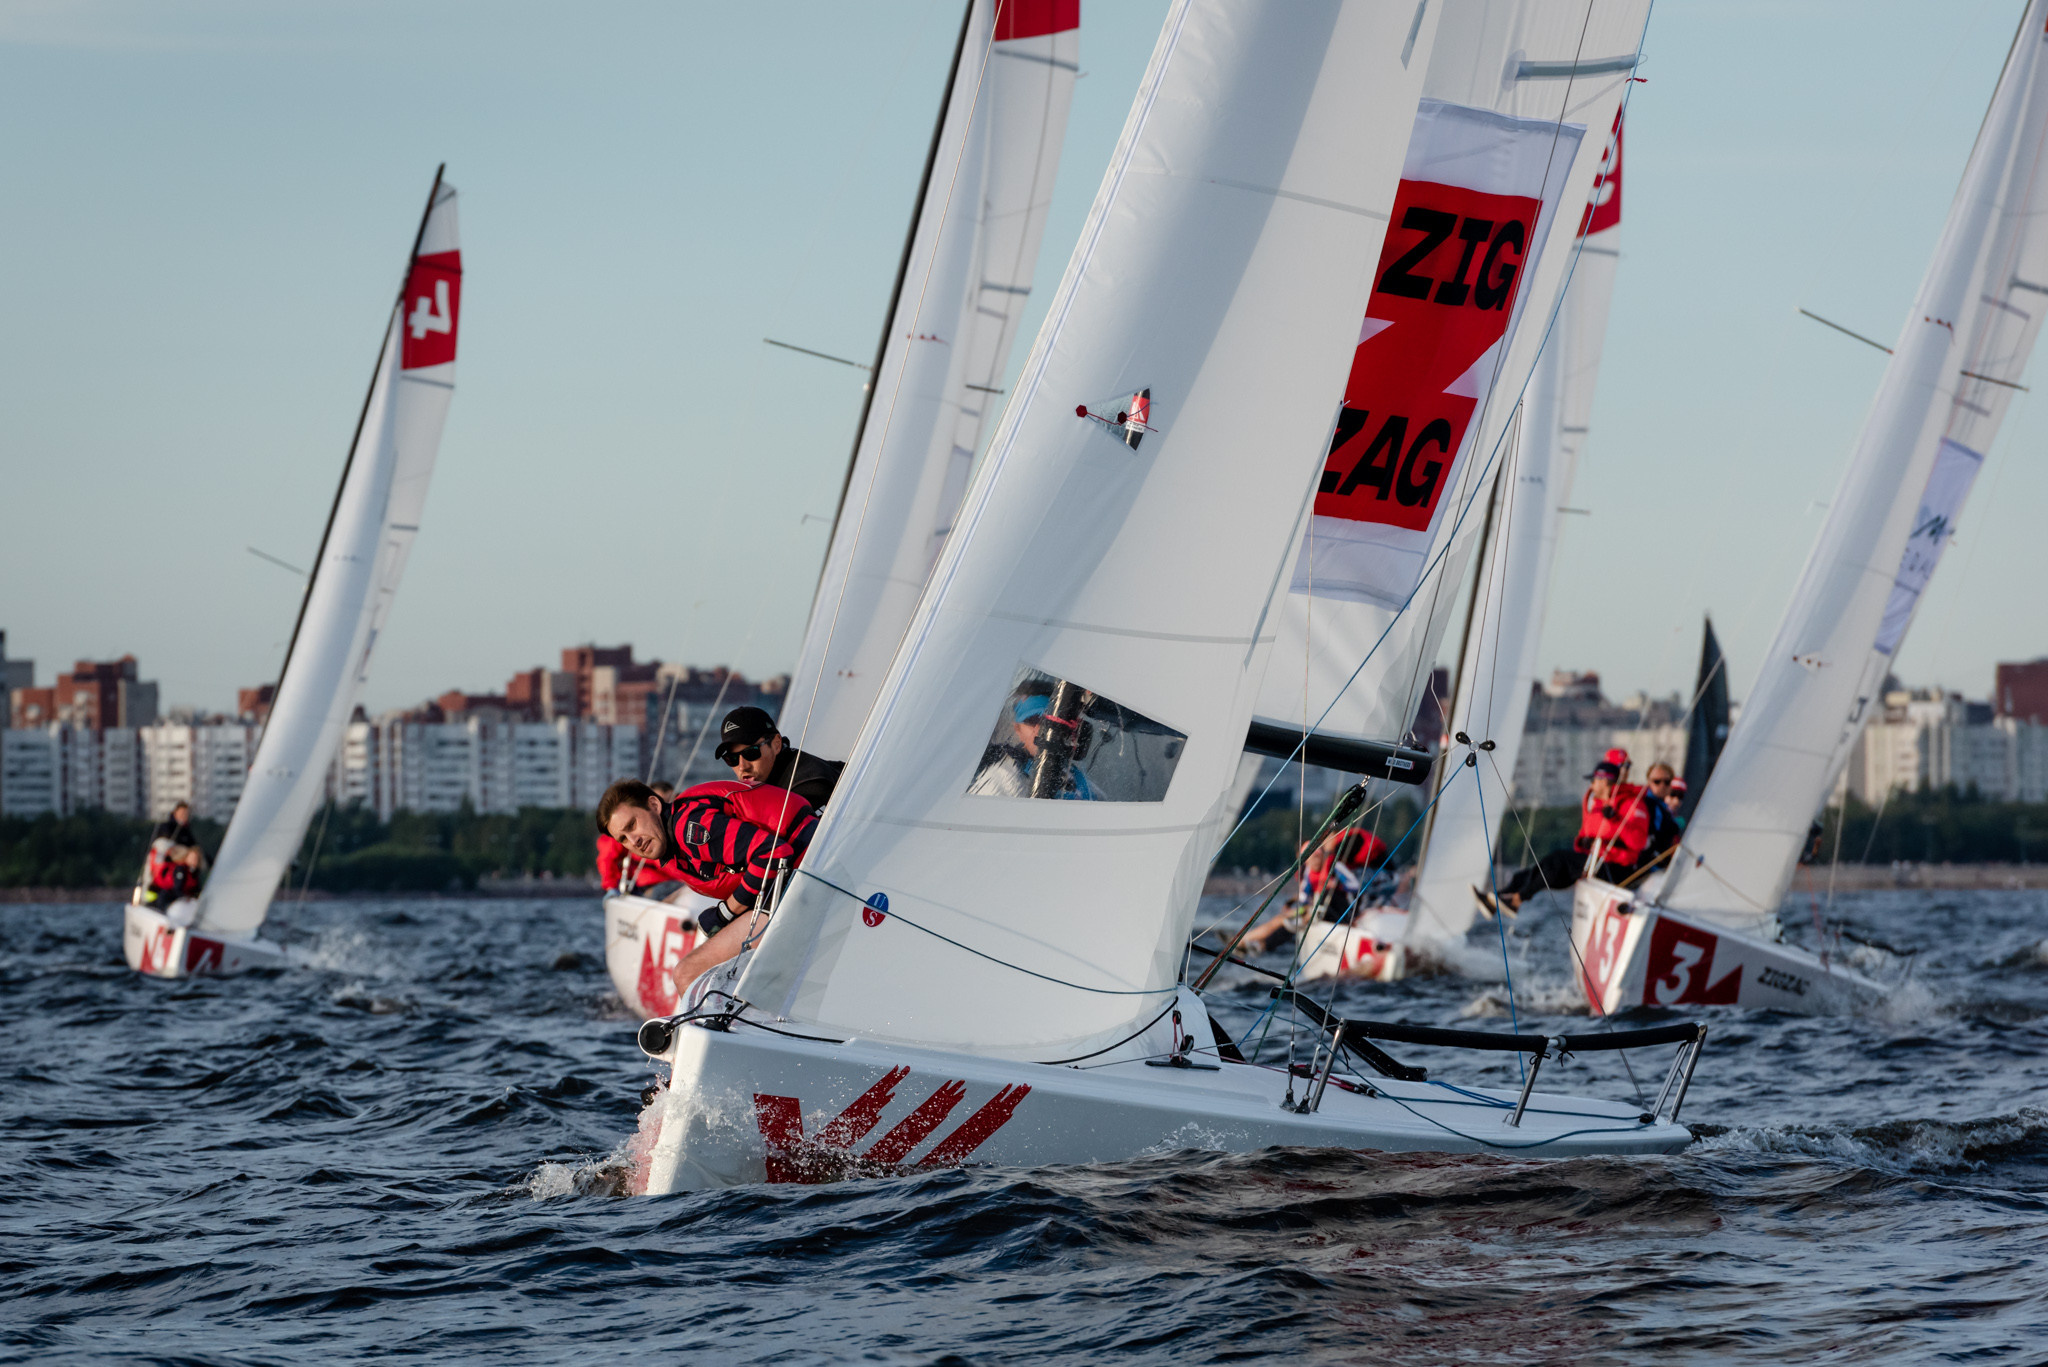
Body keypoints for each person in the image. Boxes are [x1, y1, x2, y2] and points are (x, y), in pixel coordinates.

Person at [596, 776, 818, 1002]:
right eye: (623, 838)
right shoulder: (673, 845)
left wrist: (725, 912)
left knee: (687, 973)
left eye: (632, 825)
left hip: (810, 882)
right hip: (796, 884)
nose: (634, 841)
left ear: (654, 805)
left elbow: (772, 853)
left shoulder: (689, 827)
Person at [1475, 749, 1648, 916]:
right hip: (1591, 861)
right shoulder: (1596, 802)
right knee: (1540, 869)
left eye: (1594, 780)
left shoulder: (1631, 803)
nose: (1591, 784)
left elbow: (1637, 842)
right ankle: (1498, 899)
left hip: (1612, 866)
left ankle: (1517, 900)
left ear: (1604, 780)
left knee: (1557, 860)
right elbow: (1586, 833)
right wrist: (1583, 843)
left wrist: (1615, 819)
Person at [1242, 824, 1392, 954]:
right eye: (1310, 857)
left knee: (1293, 918)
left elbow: (1355, 886)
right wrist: (1294, 909)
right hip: (1318, 911)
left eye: (1317, 855)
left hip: (1340, 911)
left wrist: (1336, 885)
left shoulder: (1335, 866)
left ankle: (1258, 944)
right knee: (1283, 919)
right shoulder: (1308, 874)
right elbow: (1304, 899)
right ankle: (1245, 941)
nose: (1314, 859)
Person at [969, 689, 1099, 799]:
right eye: (1032, 720)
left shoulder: (1069, 770)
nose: (1041, 729)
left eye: (1046, 720)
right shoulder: (1002, 779)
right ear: (1018, 730)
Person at [715, 706, 843, 809]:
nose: (743, 766)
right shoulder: (762, 787)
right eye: (732, 758)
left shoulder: (810, 787)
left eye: (751, 753)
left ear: (776, 744)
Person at [140, 801, 205, 909]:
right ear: (175, 813)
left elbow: (195, 848)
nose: (184, 816)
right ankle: (147, 904)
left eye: (186, 814)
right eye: (182, 813)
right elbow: (161, 844)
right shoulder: (166, 827)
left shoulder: (186, 831)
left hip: (177, 874)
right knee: (155, 891)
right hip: (162, 871)